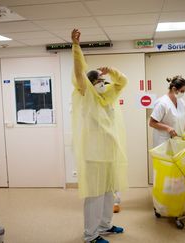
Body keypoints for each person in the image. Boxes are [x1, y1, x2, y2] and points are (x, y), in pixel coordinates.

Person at [71, 29, 128, 243]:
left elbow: (123, 81)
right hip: (94, 154)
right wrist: (76, 47)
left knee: (107, 193)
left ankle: (105, 225)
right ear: (91, 84)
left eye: (104, 80)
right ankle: (91, 235)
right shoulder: (86, 95)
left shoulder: (109, 96)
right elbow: (78, 74)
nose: (104, 83)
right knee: (94, 195)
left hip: (109, 152)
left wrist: (111, 70)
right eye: (100, 80)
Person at [149, 75, 185, 147]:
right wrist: (167, 128)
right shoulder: (162, 103)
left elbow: (181, 119)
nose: (183, 93)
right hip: (163, 141)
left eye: (184, 91)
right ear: (174, 89)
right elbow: (152, 123)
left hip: (177, 140)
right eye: (182, 91)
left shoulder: (181, 102)